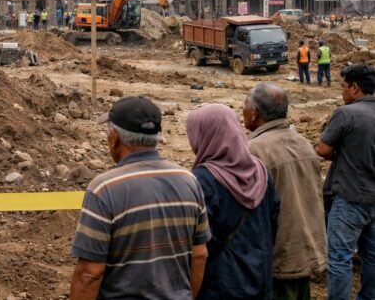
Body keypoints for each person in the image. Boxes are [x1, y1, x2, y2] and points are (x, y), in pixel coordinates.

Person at [70, 96, 210, 299]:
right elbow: (199, 255)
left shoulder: (103, 189)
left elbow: (89, 273)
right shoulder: (189, 181)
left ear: (114, 138)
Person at [187, 103, 280, 300]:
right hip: (259, 278)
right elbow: (272, 226)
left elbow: (198, 244)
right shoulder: (261, 171)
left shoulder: (202, 181)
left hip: (219, 285)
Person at [243, 83, 326, 300]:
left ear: (254, 113)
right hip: (305, 249)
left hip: (278, 256)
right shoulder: (303, 143)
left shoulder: (254, 149)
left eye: (244, 106)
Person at [315, 63, 375, 300]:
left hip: (350, 198)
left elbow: (322, 149)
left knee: (340, 257)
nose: (341, 92)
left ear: (355, 88)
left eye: (343, 87)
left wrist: (338, 153)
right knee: (372, 255)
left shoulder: (347, 113)